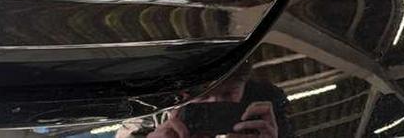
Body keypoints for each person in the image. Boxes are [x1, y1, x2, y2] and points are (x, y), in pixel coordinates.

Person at [116, 62, 292, 138]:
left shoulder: (265, 102)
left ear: (244, 84)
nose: (215, 101)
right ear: (180, 93)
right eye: (202, 94)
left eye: (228, 93)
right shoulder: (151, 107)